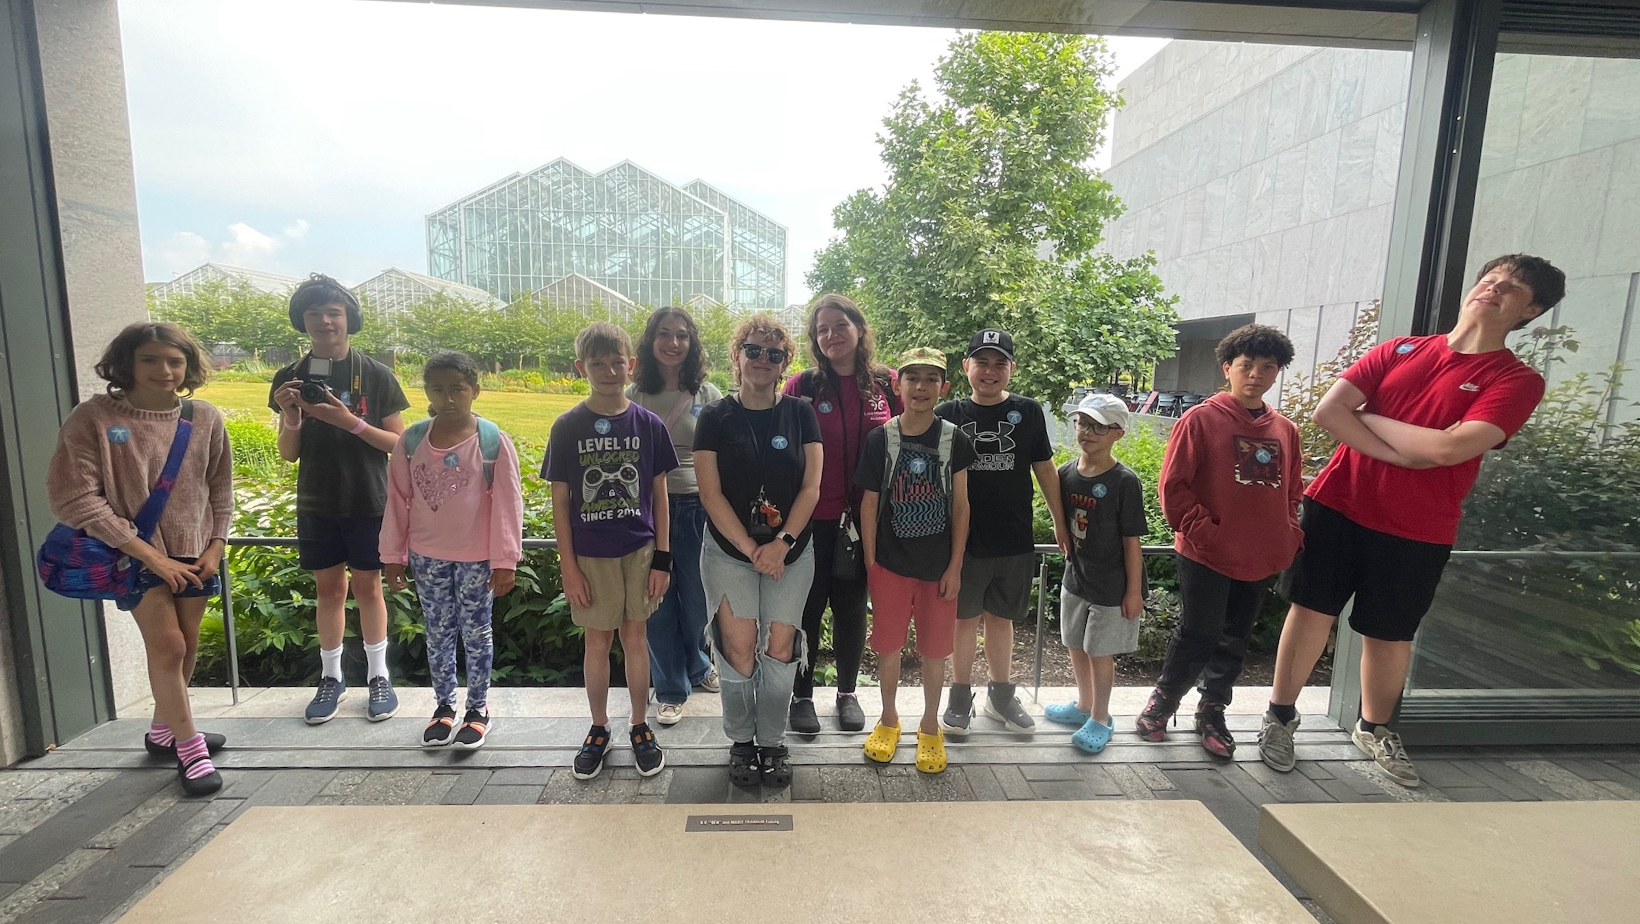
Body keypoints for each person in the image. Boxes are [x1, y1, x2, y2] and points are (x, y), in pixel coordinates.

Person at [1261, 255, 1564, 787]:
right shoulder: (1399, 349)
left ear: (1532, 310)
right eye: (1489, 279)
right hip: (1340, 503)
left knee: (1390, 632)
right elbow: (1328, 413)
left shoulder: (1516, 379)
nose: (1493, 289)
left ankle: (1374, 728)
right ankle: (1280, 717)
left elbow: (1451, 449)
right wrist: (1405, 452)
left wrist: (1370, 419)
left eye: (1511, 288)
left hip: (1420, 525)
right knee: (1310, 611)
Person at [49, 322, 232, 796]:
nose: (164, 370)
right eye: (150, 359)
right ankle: (190, 749)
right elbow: (74, 497)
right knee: (168, 647)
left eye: (175, 361)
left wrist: (216, 543)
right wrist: (150, 555)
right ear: (126, 362)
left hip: (195, 550)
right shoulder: (92, 418)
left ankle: (163, 731)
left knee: (186, 644)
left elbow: (219, 486)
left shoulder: (204, 417)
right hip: (130, 554)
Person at [1137, 324, 1304, 758]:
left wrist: (1287, 533)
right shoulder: (1200, 420)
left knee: (1236, 636)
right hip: (1205, 552)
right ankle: (1164, 700)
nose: (1256, 375)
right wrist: (1206, 533)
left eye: (1268, 367)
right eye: (1246, 365)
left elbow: (1292, 491)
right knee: (1199, 631)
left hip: (1260, 554)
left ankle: (1212, 709)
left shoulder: (1285, 429)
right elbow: (1173, 488)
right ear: (1228, 368)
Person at [269, 274, 410, 725]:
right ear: (302, 320)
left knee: (369, 587)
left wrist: (350, 421)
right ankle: (331, 678)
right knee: (328, 590)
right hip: (317, 501)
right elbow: (288, 453)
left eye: (334, 312)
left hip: (369, 498)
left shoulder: (376, 374)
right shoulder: (289, 377)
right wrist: (291, 414)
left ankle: (378, 676)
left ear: (349, 318)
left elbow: (400, 446)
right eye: (314, 313)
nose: (325, 321)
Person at [545, 322, 678, 780]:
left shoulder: (649, 424)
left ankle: (640, 724)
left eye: (617, 362)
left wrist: (662, 558)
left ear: (631, 365)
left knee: (636, 638)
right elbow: (561, 501)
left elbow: (660, 495)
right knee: (597, 641)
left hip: (639, 550)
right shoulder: (568, 426)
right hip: (591, 555)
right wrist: (569, 568)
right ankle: (599, 727)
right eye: (597, 363)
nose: (608, 370)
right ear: (580, 368)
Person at [695, 314, 822, 788]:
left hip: (792, 550)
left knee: (780, 647)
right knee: (738, 647)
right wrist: (753, 549)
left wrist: (781, 544)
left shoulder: (800, 413)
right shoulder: (715, 417)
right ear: (738, 355)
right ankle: (741, 740)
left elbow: (811, 487)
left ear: (785, 362)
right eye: (754, 350)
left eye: (774, 353)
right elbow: (711, 494)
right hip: (729, 551)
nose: (763, 359)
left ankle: (772, 740)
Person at [381, 352, 523, 751]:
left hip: (477, 558)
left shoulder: (492, 441)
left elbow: (509, 503)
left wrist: (505, 560)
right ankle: (444, 706)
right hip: (427, 557)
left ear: (475, 390)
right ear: (426, 391)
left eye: (457, 389)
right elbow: (397, 500)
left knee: (477, 633)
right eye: (438, 389)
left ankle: (477, 710)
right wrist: (392, 556)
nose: (447, 398)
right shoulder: (412, 442)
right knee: (439, 632)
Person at [936, 328, 1068, 737]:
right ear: (966, 367)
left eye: (999, 363)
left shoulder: (1027, 411)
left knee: (1001, 619)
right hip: (964, 542)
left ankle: (1001, 696)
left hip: (1014, 537)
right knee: (963, 619)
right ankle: (960, 696)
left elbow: (1044, 469)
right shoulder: (948, 413)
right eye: (982, 362)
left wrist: (1060, 523)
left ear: (1012, 368)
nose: (990, 371)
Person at [783, 293, 900, 734]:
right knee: (808, 608)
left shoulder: (886, 384)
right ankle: (802, 696)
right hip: (812, 517)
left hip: (865, 520)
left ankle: (847, 693)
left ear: (859, 328)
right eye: (822, 329)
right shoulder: (804, 387)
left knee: (851, 608)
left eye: (840, 325)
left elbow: (909, 436)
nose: (831, 335)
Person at [856, 348, 974, 773]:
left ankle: (929, 725)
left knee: (934, 651)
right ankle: (888, 719)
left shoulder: (954, 440)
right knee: (888, 647)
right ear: (897, 385)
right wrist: (871, 562)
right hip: (890, 565)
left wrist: (955, 566)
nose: (921, 387)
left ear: (944, 387)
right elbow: (869, 503)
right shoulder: (881, 439)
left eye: (931, 379)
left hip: (938, 569)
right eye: (912, 378)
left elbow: (960, 506)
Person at [628, 307, 723, 726]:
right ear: (651, 341)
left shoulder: (708, 395)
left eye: (682, 335)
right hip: (650, 513)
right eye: (664, 334)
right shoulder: (634, 396)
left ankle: (699, 665)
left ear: (692, 342)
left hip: (700, 509)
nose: (673, 343)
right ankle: (669, 689)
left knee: (700, 600)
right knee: (657, 602)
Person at [1044, 394, 1147, 755]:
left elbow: (1132, 542)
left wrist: (1133, 592)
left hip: (1112, 585)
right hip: (1076, 577)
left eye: (1098, 427)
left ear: (1118, 433)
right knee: (1075, 643)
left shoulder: (1125, 482)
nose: (1087, 432)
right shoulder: (1065, 474)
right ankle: (1083, 705)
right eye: (1082, 423)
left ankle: (1101, 718)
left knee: (1099, 652)